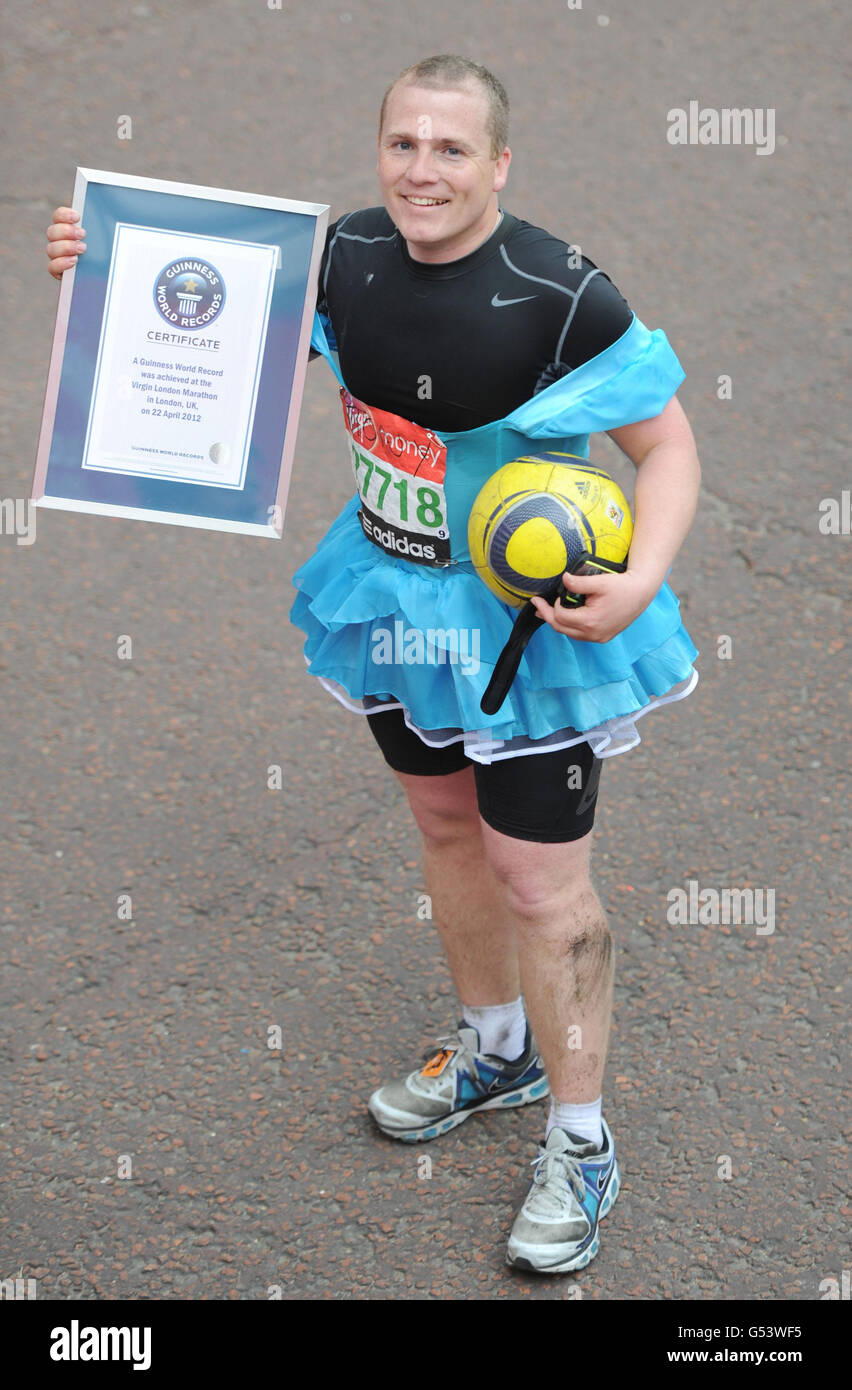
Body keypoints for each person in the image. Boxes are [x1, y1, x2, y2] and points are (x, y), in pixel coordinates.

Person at [45, 53, 701, 1277]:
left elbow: (668, 450)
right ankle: (494, 1045)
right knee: (449, 836)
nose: (424, 170)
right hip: (389, 598)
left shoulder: (562, 296)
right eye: (404, 144)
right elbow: (205, 336)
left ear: (500, 163)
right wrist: (106, 275)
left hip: (528, 629)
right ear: (379, 150)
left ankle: (581, 1135)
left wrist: (643, 579)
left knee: (542, 884)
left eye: (453, 149)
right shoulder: (341, 258)